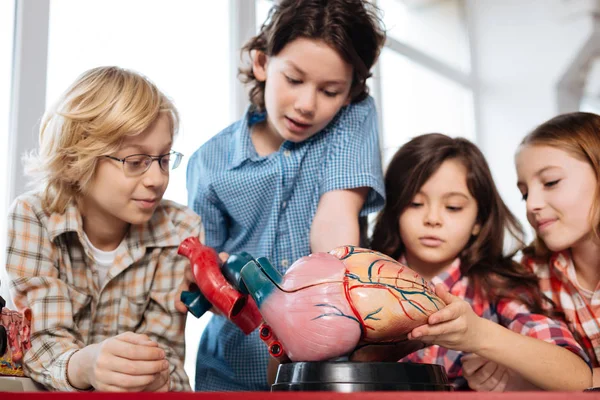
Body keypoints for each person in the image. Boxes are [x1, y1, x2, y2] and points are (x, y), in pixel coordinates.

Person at [186, 0, 386, 391]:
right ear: (262, 63)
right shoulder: (209, 162)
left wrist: (319, 310)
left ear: (350, 94)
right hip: (233, 362)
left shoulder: (354, 119)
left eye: (330, 91)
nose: (306, 104)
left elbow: (336, 220)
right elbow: (204, 267)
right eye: (294, 80)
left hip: (323, 364)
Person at [5, 66, 201, 392]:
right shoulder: (33, 217)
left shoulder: (179, 229)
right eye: (135, 161)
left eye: (164, 159)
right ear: (78, 158)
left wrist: (152, 374)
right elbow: (42, 343)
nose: (156, 179)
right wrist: (87, 365)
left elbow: (167, 357)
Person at [370, 133, 591, 391]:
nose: (432, 218)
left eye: (453, 207)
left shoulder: (498, 287)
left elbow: (577, 375)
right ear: (395, 209)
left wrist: (480, 337)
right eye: (415, 203)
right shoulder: (367, 281)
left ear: (478, 220)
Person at [516, 112, 600, 388]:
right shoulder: (537, 272)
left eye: (551, 182)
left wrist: (580, 378)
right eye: (525, 193)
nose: (531, 205)